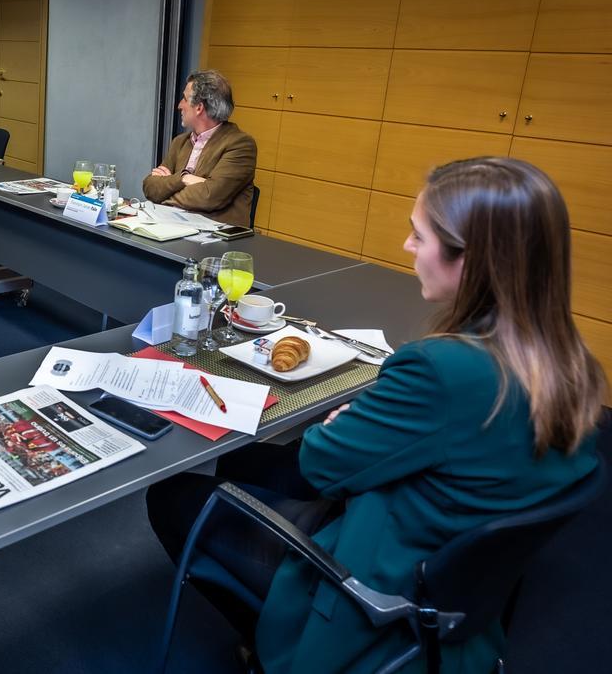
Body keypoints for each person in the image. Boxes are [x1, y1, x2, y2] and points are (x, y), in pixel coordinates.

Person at [146, 157, 605, 673]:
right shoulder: (573, 366)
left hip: (373, 583)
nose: (407, 248)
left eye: (419, 236)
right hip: (450, 571)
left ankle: (271, 649)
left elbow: (320, 464)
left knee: (171, 497)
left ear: (471, 261)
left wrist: (346, 420)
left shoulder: (441, 370)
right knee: (247, 462)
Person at [142, 69, 256, 227]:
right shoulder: (179, 142)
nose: (179, 106)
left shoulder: (240, 145)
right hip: (171, 227)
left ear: (199, 108)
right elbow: (150, 187)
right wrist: (183, 178)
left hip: (213, 238)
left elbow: (210, 196)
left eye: (184, 99)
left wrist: (166, 193)